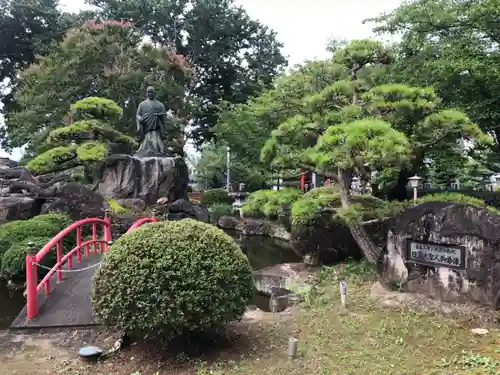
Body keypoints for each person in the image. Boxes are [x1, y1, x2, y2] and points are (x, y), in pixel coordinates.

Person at [136, 86, 168, 156]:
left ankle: (159, 150)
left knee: (157, 141)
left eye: (151, 92)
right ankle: (146, 150)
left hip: (156, 128)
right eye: (148, 92)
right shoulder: (142, 104)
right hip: (146, 127)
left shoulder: (160, 105)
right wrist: (140, 119)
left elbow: (164, 118)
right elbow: (138, 115)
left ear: (154, 93)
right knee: (146, 141)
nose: (149, 94)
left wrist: (160, 117)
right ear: (146, 93)